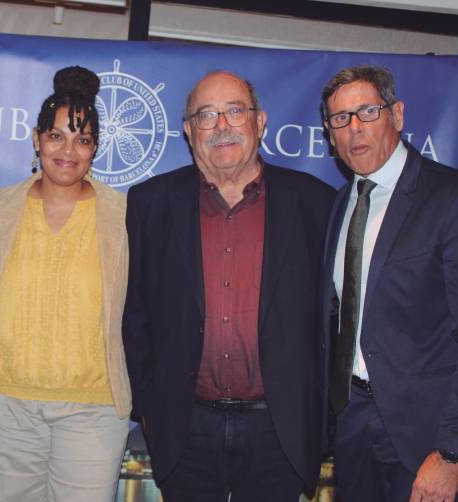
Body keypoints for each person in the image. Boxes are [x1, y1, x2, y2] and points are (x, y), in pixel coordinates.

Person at [122, 71, 335, 501]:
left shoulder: (316, 203)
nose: (222, 126)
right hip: (184, 429)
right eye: (206, 115)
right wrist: (148, 406)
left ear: (260, 123)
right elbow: (135, 314)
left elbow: (335, 320)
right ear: (188, 130)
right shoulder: (149, 204)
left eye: (235, 111)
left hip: (279, 432)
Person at [322, 65, 458, 502]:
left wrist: (450, 452)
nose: (354, 129)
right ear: (330, 134)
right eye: (339, 119)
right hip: (353, 423)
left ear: (398, 115)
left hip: (425, 436)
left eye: (367, 112)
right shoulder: (342, 203)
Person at [0, 66, 131, 502]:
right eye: (57, 136)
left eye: (82, 139)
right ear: (36, 138)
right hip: (5, 404)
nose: (69, 150)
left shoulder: (122, 215)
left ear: (95, 148)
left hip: (94, 409)